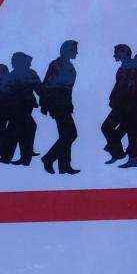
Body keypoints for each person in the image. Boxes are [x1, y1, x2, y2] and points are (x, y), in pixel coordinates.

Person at [40, 40, 80, 174]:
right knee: (71, 134)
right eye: (74, 50)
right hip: (57, 104)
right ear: (67, 50)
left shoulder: (69, 66)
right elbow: (47, 84)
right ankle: (48, 159)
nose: (77, 52)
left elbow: (68, 89)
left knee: (65, 135)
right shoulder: (56, 65)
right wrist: (44, 104)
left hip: (65, 104)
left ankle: (64, 167)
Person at [0, 50, 42, 165]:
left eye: (14, 61)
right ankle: (20, 159)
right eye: (12, 61)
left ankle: (13, 158)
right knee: (23, 129)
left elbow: (38, 88)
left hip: (22, 106)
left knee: (17, 129)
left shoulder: (26, 73)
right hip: (17, 107)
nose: (12, 63)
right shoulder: (16, 74)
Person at [101, 43, 133, 162]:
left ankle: (116, 152)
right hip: (123, 103)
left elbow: (123, 86)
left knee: (107, 127)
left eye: (117, 52)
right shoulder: (125, 66)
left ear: (124, 53)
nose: (114, 55)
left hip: (123, 104)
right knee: (122, 127)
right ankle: (116, 152)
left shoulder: (128, 67)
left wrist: (114, 99)